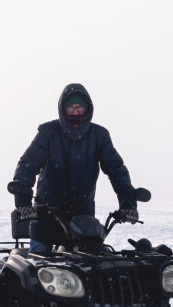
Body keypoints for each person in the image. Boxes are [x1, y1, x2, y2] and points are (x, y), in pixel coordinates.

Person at [10, 83, 138, 255]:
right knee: (38, 266)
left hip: (82, 219)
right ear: (63, 109)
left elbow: (116, 170)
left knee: (91, 266)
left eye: (80, 107)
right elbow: (27, 165)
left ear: (88, 109)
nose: (76, 112)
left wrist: (127, 203)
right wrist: (23, 203)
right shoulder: (48, 132)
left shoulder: (99, 135)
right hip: (46, 215)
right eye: (71, 107)